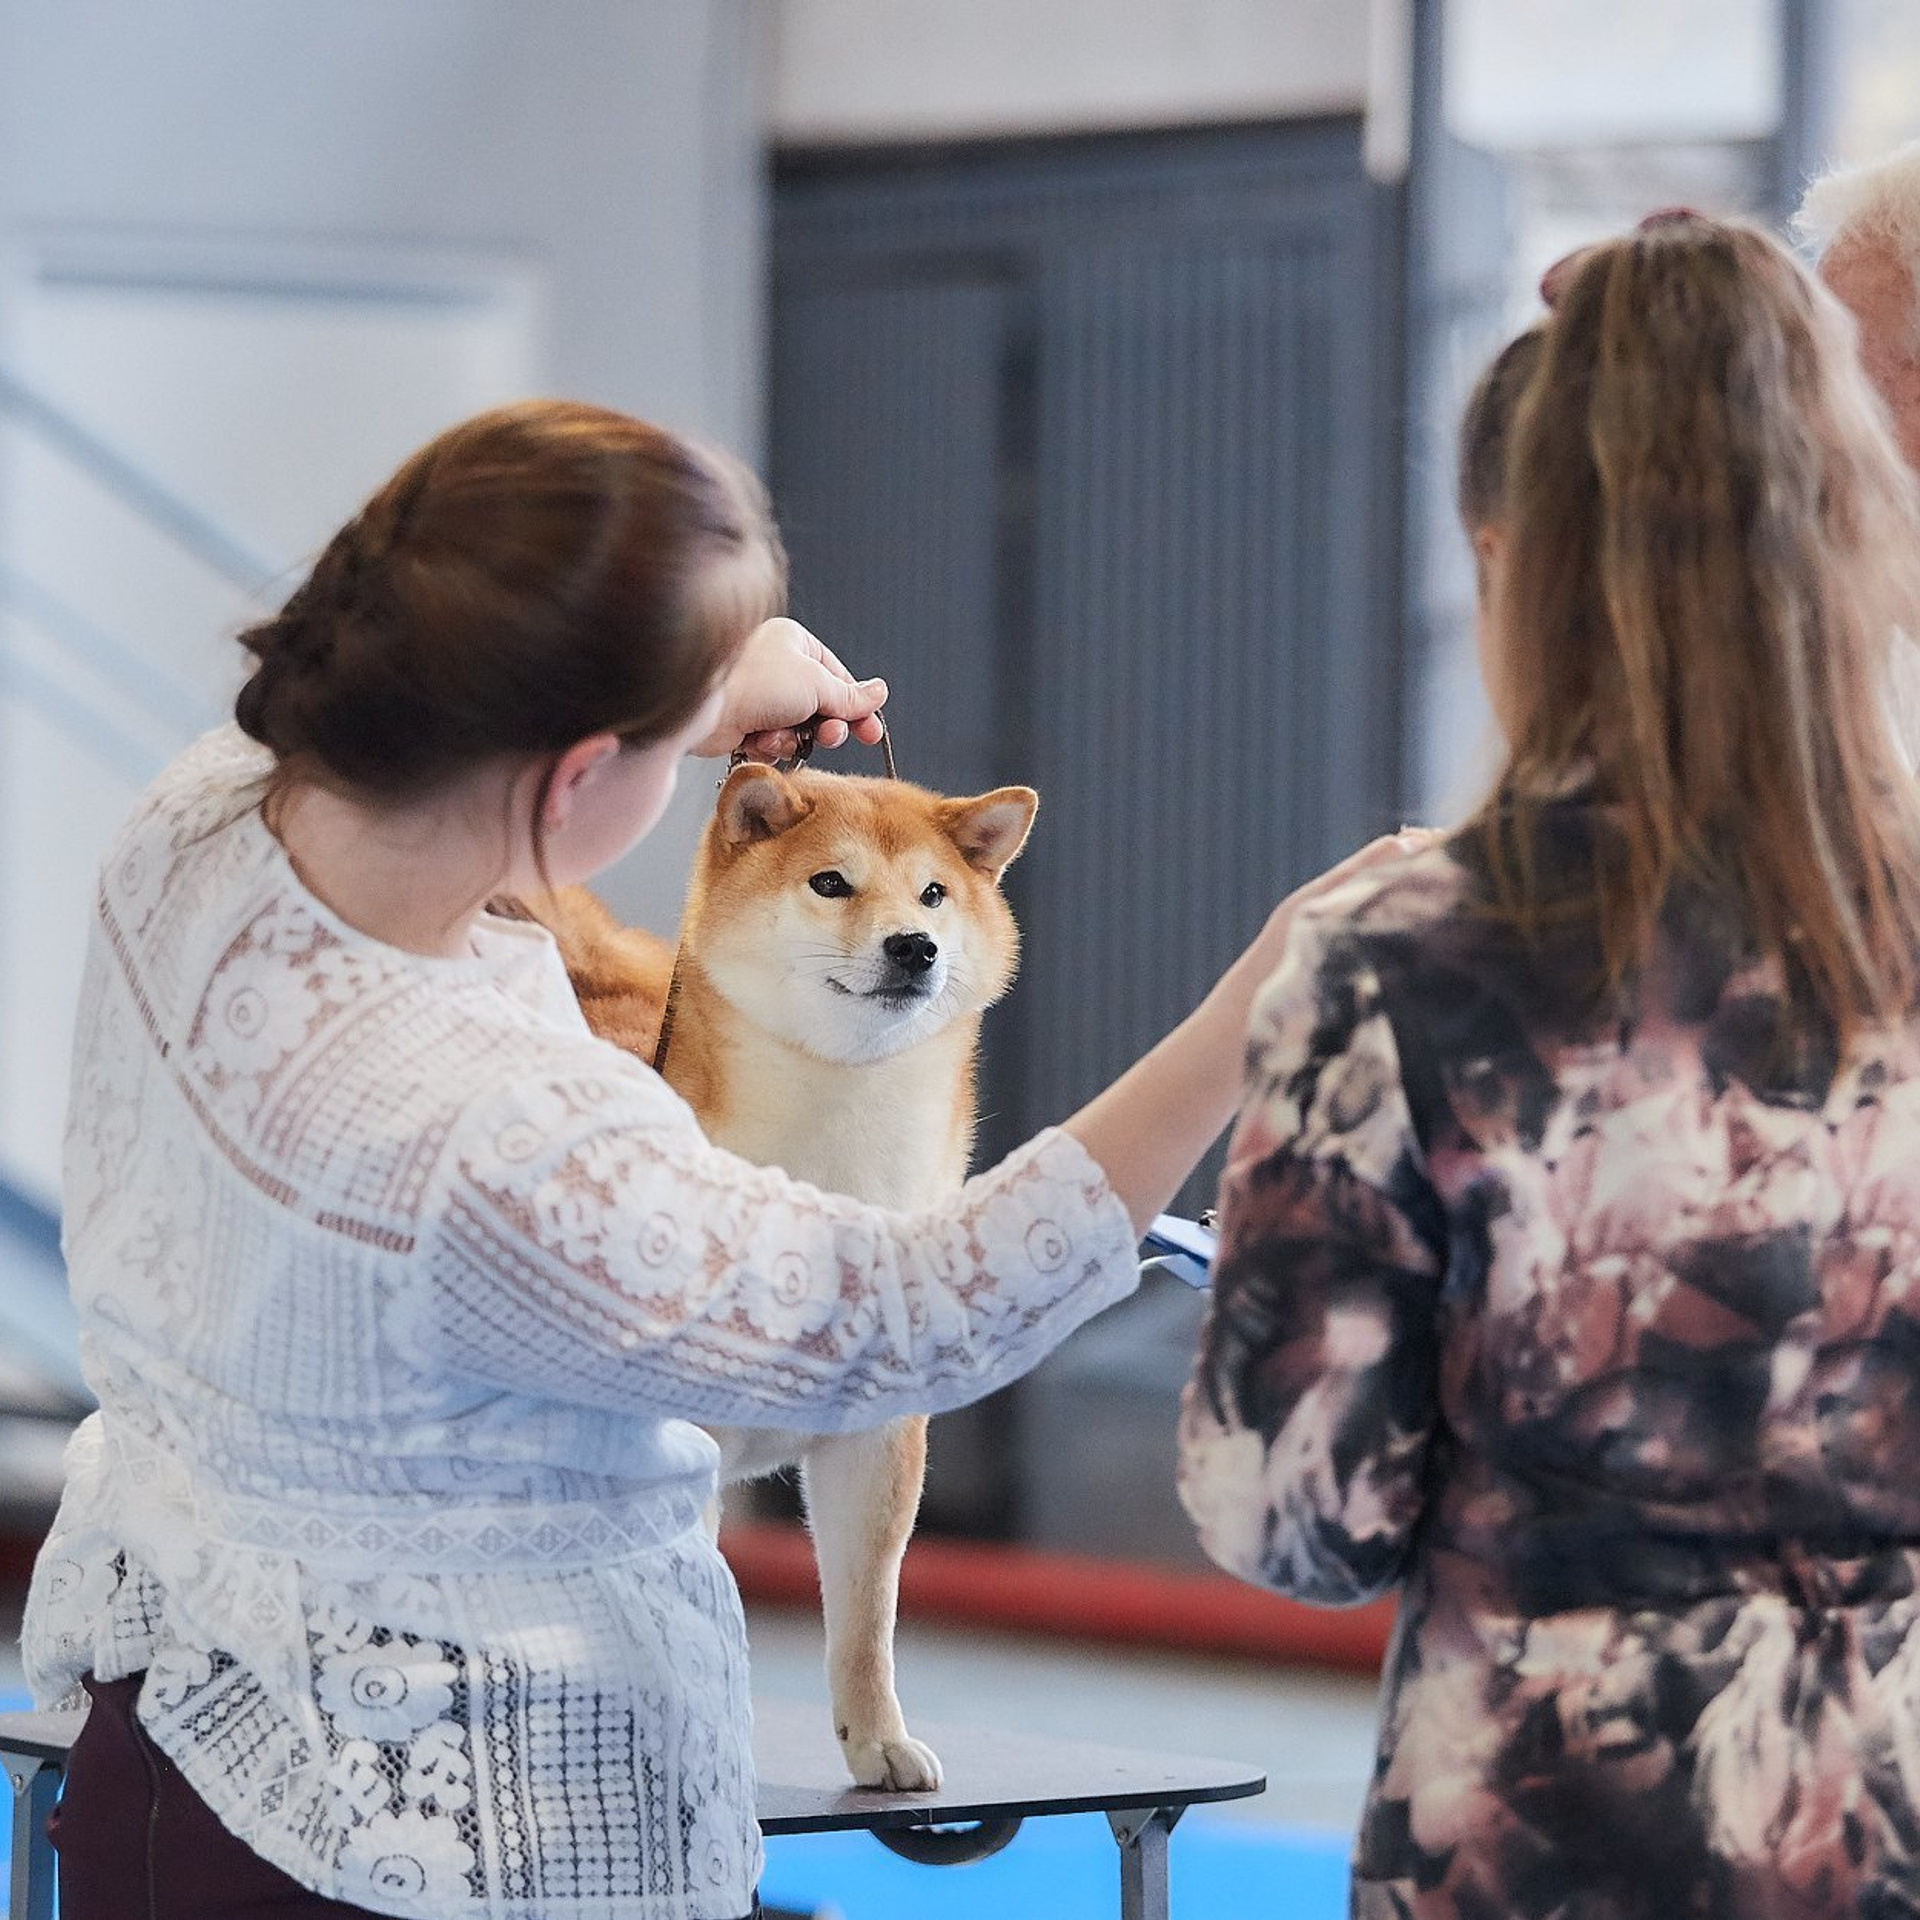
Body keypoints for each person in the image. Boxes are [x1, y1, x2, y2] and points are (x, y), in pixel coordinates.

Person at [21, 397, 1406, 1920]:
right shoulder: (502, 1134)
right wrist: (1251, 1010)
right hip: (450, 1856)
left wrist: (696, 670)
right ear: (582, 775)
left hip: (166, 1765)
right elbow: (903, 1317)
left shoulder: (199, 825)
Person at [1177, 214, 1920, 1919]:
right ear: (1846, 546)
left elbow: (1296, 1515)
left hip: (1538, 1824)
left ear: (1509, 562)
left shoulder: (1398, 955)